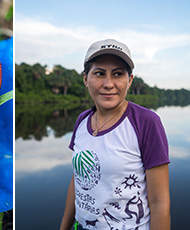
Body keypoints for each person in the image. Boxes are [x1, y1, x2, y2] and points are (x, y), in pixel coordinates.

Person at [60, 39, 170, 230]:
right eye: (99, 73)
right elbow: (77, 178)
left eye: (118, 74)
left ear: (130, 80)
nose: (108, 84)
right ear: (86, 79)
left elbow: (160, 202)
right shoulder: (82, 121)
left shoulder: (146, 122)